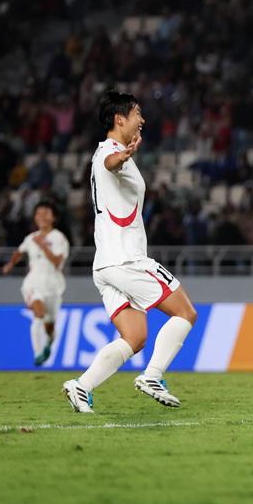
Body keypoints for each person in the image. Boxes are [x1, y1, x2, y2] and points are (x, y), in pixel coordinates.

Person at [62, 90, 198, 413]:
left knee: (135, 337)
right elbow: (110, 164)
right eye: (137, 113)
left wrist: (125, 157)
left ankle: (81, 386)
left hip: (106, 265)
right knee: (186, 312)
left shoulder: (108, 154)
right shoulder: (111, 152)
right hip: (127, 259)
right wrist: (123, 156)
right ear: (119, 119)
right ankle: (152, 375)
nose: (143, 120)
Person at [1, 201, 70, 366]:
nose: (42, 216)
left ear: (53, 217)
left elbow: (57, 262)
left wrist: (43, 246)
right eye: (39, 213)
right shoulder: (30, 238)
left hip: (53, 285)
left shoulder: (59, 238)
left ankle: (48, 344)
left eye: (46, 213)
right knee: (38, 313)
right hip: (33, 283)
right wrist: (10, 264)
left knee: (50, 325)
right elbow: (19, 252)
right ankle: (38, 353)